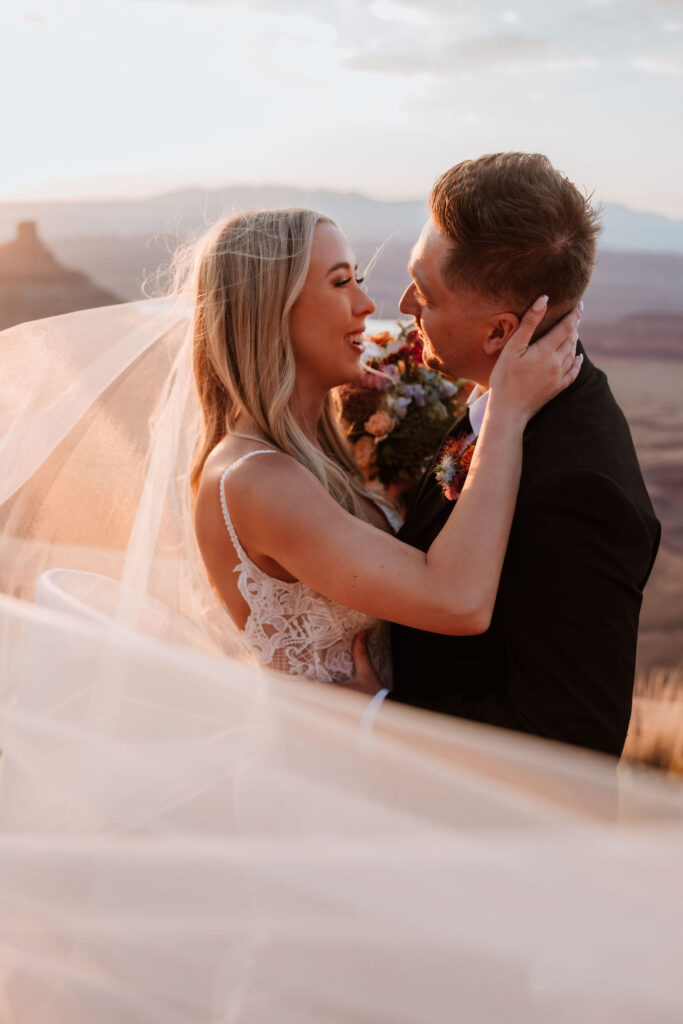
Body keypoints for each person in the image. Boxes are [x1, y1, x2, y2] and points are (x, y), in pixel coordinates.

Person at [189, 207, 581, 693]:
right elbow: (458, 600)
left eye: (360, 278)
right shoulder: (255, 479)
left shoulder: (321, 455)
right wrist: (507, 406)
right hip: (325, 761)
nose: (367, 305)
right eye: (340, 283)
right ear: (269, 308)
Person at [390, 152, 661, 757]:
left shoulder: (577, 491)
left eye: (426, 293)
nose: (406, 304)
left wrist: (378, 720)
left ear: (498, 333)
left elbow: (568, 741)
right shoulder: (508, 397)